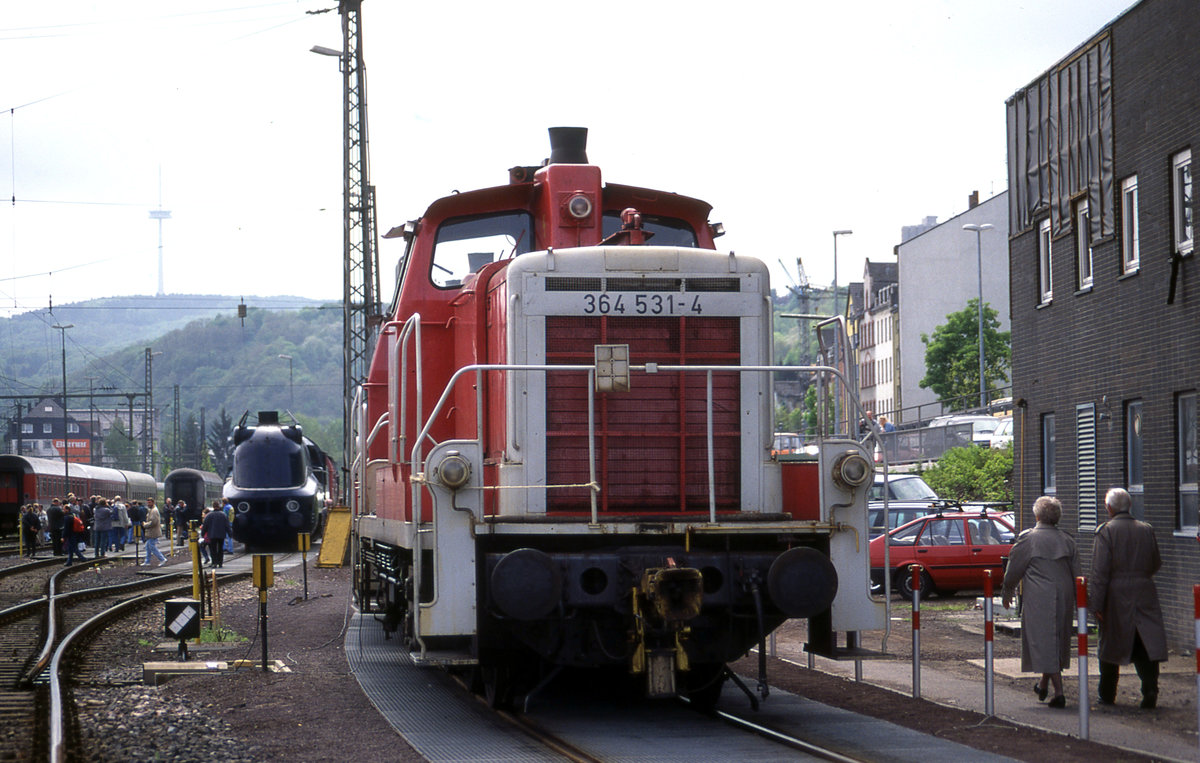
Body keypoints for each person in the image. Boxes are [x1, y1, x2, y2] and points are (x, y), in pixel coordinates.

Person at [1090, 487, 1168, 709]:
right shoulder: (1146, 530)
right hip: (1144, 591)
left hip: (1116, 594)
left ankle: (1107, 694)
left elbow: (1099, 572)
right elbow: (1156, 562)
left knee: (1110, 644)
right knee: (1145, 642)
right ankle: (1150, 688)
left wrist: (1096, 603)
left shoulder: (1106, 532)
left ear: (1109, 508)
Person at [1001, 495, 1078, 708]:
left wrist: (1007, 590)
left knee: (1043, 641)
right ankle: (1043, 684)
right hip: (1064, 594)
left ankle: (1060, 692)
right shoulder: (1068, 540)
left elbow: (1013, 569)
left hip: (1039, 596)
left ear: (1037, 515)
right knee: (1056, 639)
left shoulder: (1029, 539)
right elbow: (1078, 574)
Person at [201, 501, 231, 568]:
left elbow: (205, 526)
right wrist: (230, 533)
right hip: (221, 534)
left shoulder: (209, 515)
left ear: (213, 506)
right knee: (220, 549)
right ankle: (220, 563)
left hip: (212, 534)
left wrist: (202, 534)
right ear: (219, 506)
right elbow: (227, 525)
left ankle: (214, 562)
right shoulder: (223, 515)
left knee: (213, 549)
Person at [142, 497, 168, 567]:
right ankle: (147, 561)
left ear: (153, 502)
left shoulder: (154, 511)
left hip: (153, 532)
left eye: (150, 502)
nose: (148, 504)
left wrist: (145, 525)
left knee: (152, 546)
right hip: (151, 531)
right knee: (148, 546)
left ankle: (162, 559)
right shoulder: (151, 510)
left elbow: (153, 522)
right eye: (147, 502)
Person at [63, 499, 86, 566]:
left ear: (67, 510)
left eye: (64, 509)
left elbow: (66, 528)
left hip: (71, 534)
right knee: (71, 548)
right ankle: (69, 561)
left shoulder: (67, 518)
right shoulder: (73, 516)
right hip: (75, 533)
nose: (63, 510)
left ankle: (82, 558)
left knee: (74, 548)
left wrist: (63, 536)